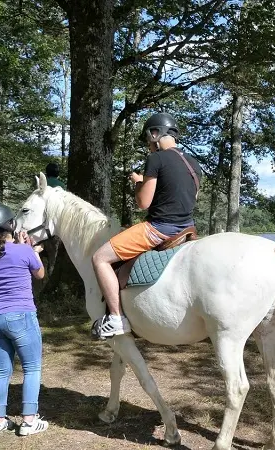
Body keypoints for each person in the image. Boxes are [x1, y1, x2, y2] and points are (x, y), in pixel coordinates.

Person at [91, 113, 202, 339]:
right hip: (187, 228)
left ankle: (115, 318)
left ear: (155, 134)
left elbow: (143, 203)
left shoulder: (157, 159)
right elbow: (190, 195)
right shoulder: (193, 163)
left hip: (160, 228)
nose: (148, 145)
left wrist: (139, 182)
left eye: (147, 139)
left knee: (100, 258)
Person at [0, 203, 49, 436]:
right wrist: (32, 251)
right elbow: (40, 274)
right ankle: (28, 421)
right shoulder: (22, 250)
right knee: (32, 367)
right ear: (11, 225)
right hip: (21, 315)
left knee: (1, 371)